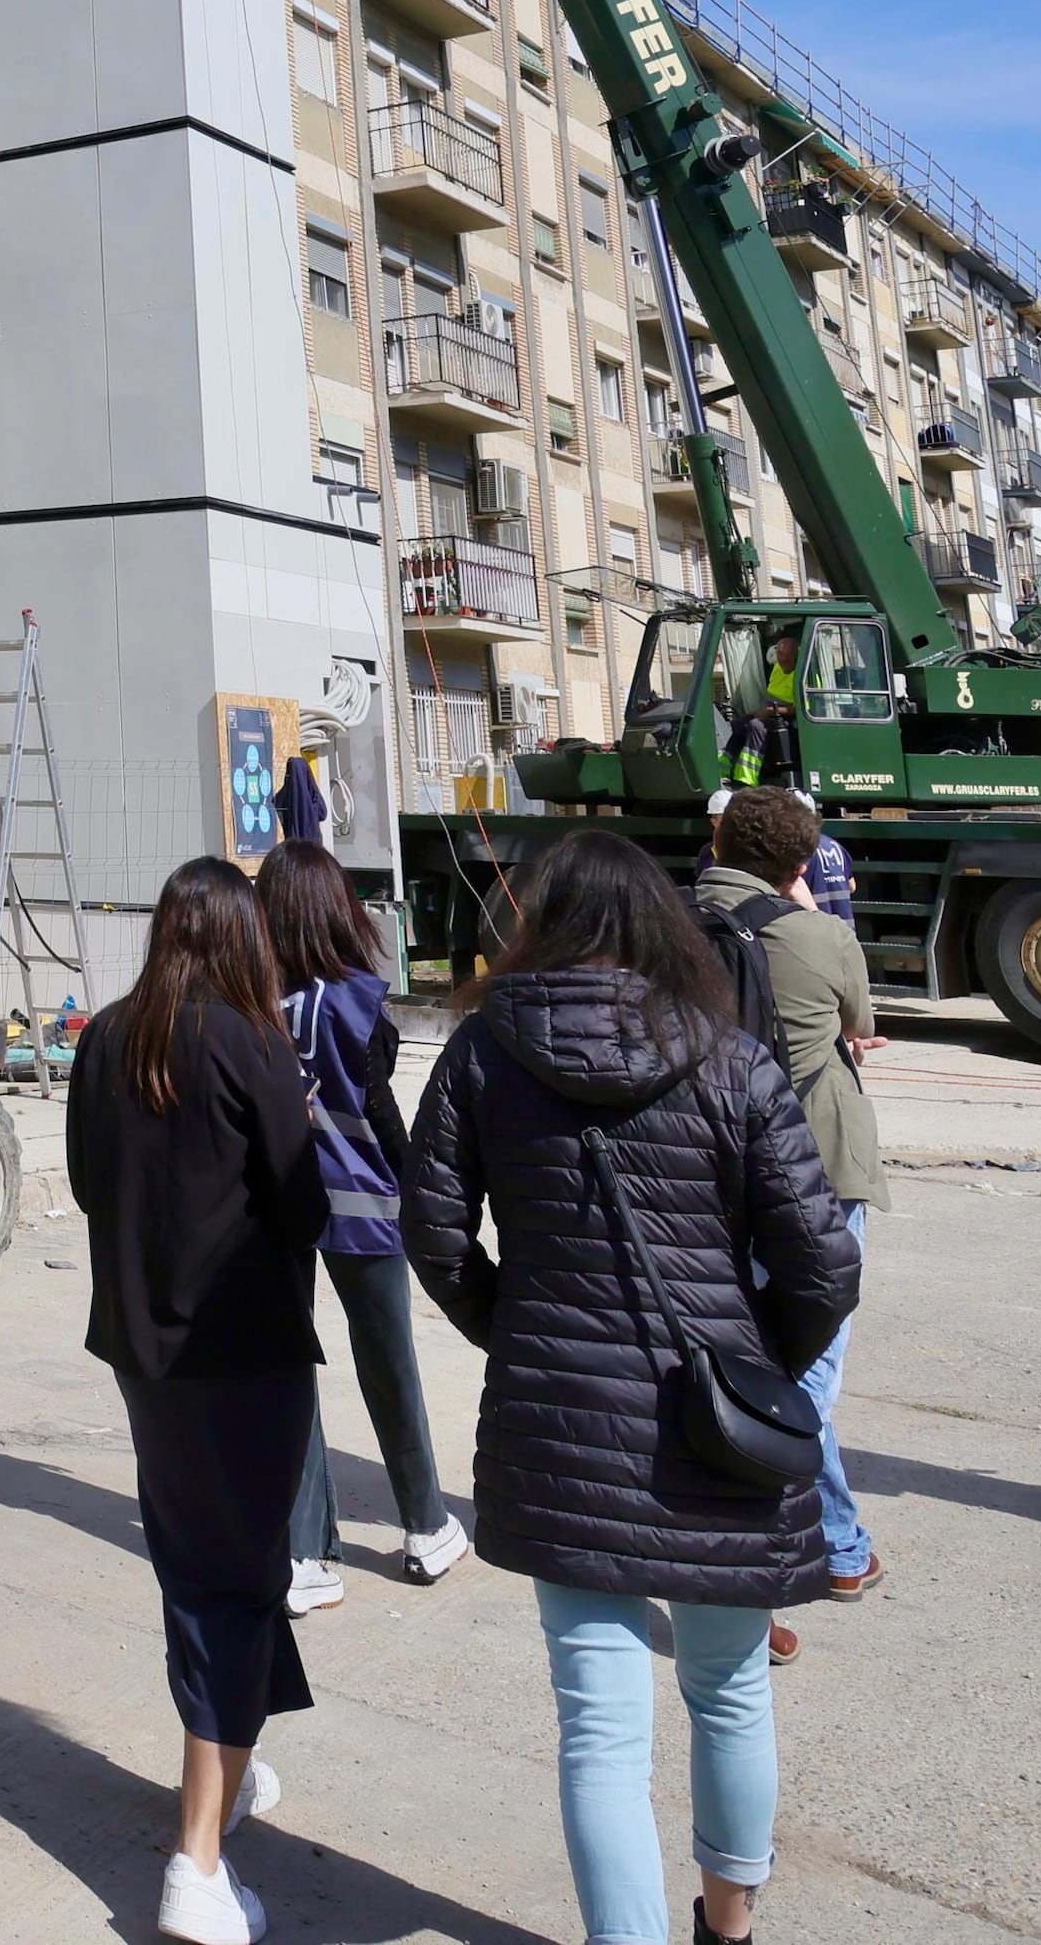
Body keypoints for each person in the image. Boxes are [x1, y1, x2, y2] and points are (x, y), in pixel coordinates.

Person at [404, 831, 855, 1945]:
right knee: (729, 1689)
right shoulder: (731, 1057)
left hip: (560, 1423)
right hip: (717, 1433)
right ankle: (729, 1924)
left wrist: (512, 1329)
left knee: (598, 1729)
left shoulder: (479, 1049)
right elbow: (822, 1264)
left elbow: (431, 1228)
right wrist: (761, 1373)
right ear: (660, 923)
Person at [67, 856, 326, 1945]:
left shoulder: (104, 1034)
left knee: (204, 1566)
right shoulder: (248, 1037)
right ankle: (197, 1860)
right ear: (238, 935)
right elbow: (300, 1198)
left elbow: (87, 1180)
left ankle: (232, 1757)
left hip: (145, 1351)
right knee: (230, 1584)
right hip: (242, 1350)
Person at [694, 788, 883, 1646]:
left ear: (717, 837)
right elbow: (861, 1023)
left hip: (711, 1168)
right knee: (804, 1371)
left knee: (734, 1351)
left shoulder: (664, 924)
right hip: (818, 1164)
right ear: (803, 862)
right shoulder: (818, 935)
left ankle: (828, 1547)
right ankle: (811, 1548)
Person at [257, 842, 465, 1613]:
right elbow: (380, 1113)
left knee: (290, 1373)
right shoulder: (357, 999)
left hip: (278, 1208)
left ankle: (301, 1553)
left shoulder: (255, 998)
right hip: (364, 1209)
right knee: (389, 1367)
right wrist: (423, 1187)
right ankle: (424, 1526)